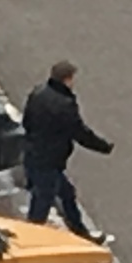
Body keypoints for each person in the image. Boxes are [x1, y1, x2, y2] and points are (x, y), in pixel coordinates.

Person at [22, 60, 114, 244]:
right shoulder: (65, 105)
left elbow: (27, 122)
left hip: (33, 154)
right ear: (67, 79)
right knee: (42, 203)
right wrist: (103, 146)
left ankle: (80, 231)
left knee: (66, 193)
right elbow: (80, 133)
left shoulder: (38, 93)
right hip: (50, 161)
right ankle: (29, 242)